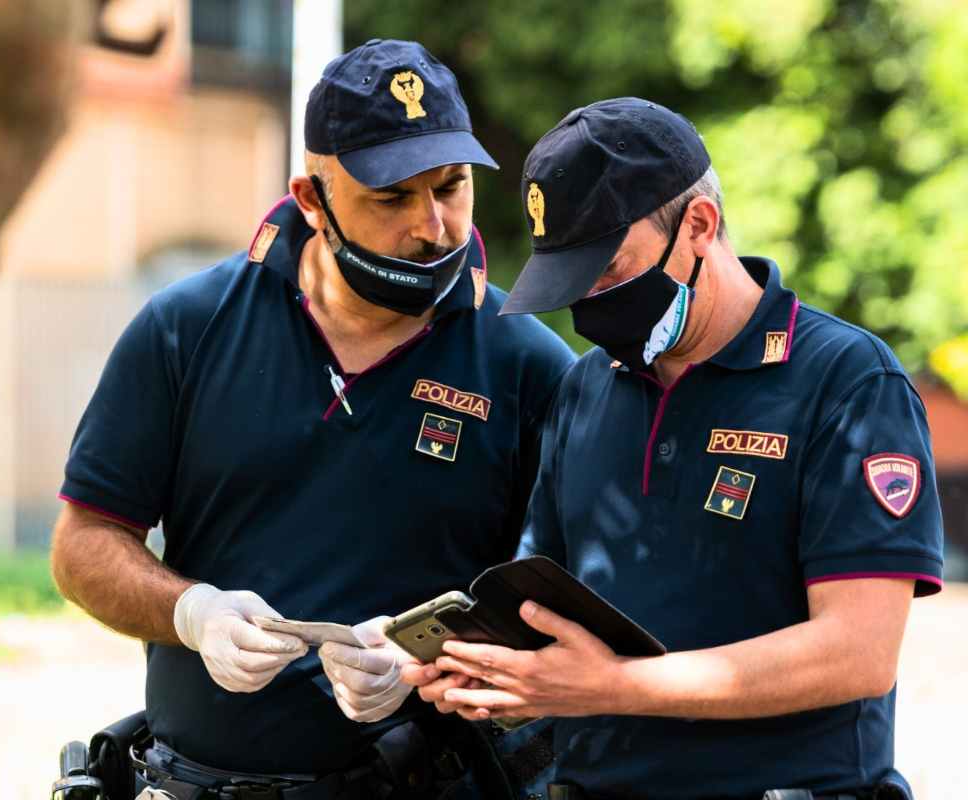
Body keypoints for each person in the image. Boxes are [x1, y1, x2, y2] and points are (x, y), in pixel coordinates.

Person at [49, 39, 575, 799]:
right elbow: (83, 545)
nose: (433, 226)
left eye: (452, 186)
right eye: (391, 198)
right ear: (310, 201)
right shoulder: (186, 328)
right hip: (199, 782)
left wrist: (434, 658)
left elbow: (568, 603)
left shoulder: (528, 362)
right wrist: (191, 612)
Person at [403, 97, 944, 800]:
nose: (590, 302)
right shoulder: (585, 390)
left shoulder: (845, 381)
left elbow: (858, 653)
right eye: (570, 280)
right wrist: (495, 671)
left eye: (609, 269)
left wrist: (618, 687)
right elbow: (549, 611)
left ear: (698, 225)